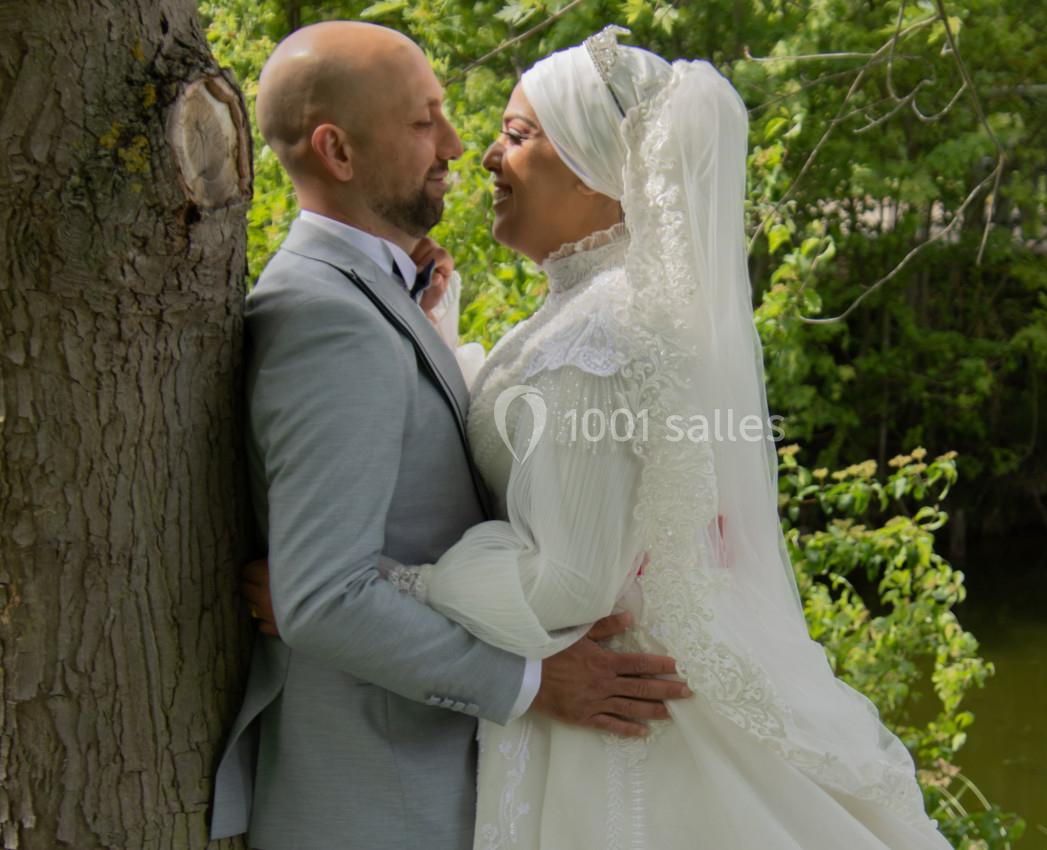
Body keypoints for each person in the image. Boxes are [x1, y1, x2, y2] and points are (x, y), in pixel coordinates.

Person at [250, 24, 954, 849]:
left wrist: (398, 584)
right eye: (430, 122)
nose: (474, 150)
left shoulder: (603, 330)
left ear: (598, 168)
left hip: (610, 715)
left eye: (517, 135)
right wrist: (436, 339)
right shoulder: (585, 313)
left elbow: (571, 586)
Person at [207, 21, 691, 850]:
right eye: (425, 120)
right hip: (378, 797)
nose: (459, 146)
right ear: (339, 151)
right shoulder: (331, 321)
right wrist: (533, 682)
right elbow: (322, 598)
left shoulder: (374, 299)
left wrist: (427, 323)